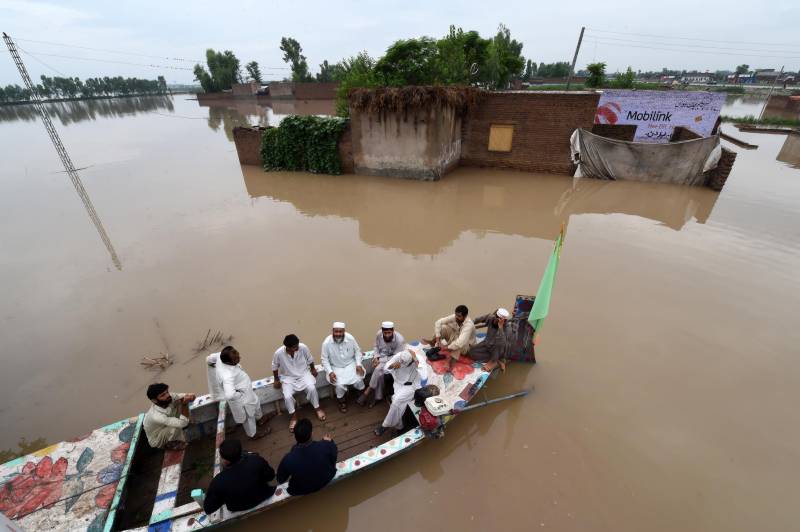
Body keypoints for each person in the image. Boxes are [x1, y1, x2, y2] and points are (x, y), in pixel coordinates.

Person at [207, 346, 269, 440]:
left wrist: (211, 364)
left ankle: (260, 419)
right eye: (235, 358)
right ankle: (253, 435)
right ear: (228, 362)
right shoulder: (227, 375)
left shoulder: (220, 356)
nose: (239, 357)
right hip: (243, 399)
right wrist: (240, 394)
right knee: (249, 418)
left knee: (256, 404)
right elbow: (230, 395)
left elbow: (209, 359)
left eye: (237, 353)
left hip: (248, 393)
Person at [203, 439, 276, 515]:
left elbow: (208, 508)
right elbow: (271, 476)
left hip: (239, 508)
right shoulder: (256, 460)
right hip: (263, 496)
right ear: (241, 452)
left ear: (225, 460)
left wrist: (223, 495)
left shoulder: (218, 482)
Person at [272, 334, 326, 431]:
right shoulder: (278, 353)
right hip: (288, 378)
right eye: (294, 347)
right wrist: (276, 380)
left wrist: (313, 369)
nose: (297, 348)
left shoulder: (303, 347)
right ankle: (293, 416)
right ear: (287, 347)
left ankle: (317, 408)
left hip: (304, 374)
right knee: (287, 396)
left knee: (312, 388)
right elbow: (275, 367)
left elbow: (310, 359)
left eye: (297, 345)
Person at [276, 418, 337, 495]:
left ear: (295, 437)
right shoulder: (326, 445)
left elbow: (280, 479)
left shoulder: (288, 459)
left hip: (300, 490)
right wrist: (328, 441)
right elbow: (334, 456)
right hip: (327, 479)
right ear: (311, 433)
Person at [374, 349, 428, 436]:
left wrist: (416, 361)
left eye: (404, 363)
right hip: (398, 384)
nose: (401, 363)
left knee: (396, 400)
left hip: (411, 386)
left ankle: (385, 425)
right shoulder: (399, 356)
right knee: (398, 404)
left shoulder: (419, 360)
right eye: (401, 361)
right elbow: (385, 369)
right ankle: (400, 426)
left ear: (411, 361)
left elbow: (424, 378)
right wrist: (392, 366)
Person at [356, 321, 405, 408]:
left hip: (393, 361)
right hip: (381, 358)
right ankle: (378, 397)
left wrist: (380, 360)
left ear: (393, 331)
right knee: (379, 373)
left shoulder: (400, 340)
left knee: (378, 369)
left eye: (389, 333)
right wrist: (376, 357)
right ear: (382, 331)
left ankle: (368, 391)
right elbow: (375, 347)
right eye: (385, 333)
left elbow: (397, 357)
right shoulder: (379, 334)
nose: (387, 335)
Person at [321, 322, 365, 413]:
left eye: (340, 332)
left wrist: (358, 364)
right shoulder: (326, 343)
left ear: (344, 331)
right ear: (332, 331)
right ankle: (342, 401)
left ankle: (360, 394)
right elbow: (324, 359)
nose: (338, 334)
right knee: (339, 385)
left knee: (359, 379)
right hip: (335, 367)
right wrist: (330, 372)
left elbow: (357, 351)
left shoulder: (350, 338)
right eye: (336, 331)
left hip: (350, 364)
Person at [143, 383, 196, 450]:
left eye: (167, 392)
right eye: (163, 395)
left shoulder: (169, 397)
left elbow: (188, 395)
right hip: (157, 438)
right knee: (175, 427)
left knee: (179, 402)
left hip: (166, 424)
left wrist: (191, 397)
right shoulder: (156, 416)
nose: (168, 395)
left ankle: (186, 421)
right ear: (154, 400)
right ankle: (170, 444)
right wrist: (185, 404)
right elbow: (183, 424)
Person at [428, 305, 476, 369]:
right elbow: (438, 322)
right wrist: (437, 339)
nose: (456, 317)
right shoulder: (455, 317)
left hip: (467, 347)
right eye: (456, 315)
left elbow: (460, 342)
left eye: (459, 316)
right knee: (443, 327)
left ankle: (450, 361)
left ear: (465, 316)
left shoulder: (469, 325)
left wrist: (445, 348)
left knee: (459, 343)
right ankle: (434, 343)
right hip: (457, 336)